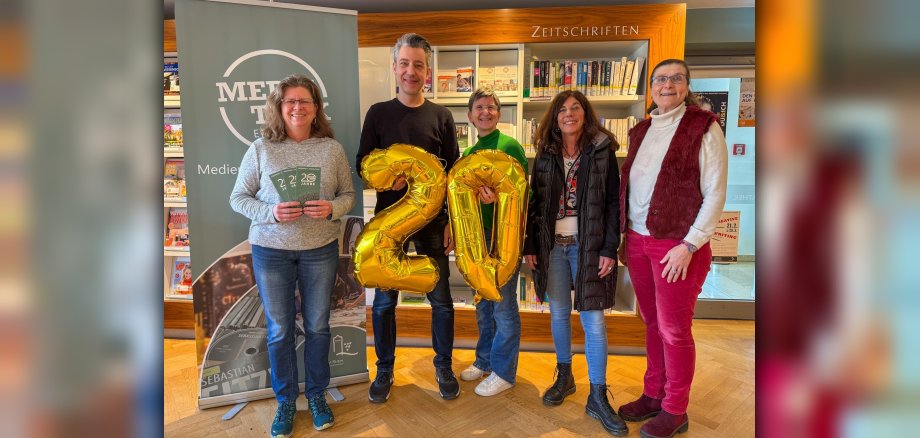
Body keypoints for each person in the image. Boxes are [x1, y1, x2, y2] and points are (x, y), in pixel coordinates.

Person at [229, 74, 355, 437]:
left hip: (320, 250)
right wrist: (270, 212)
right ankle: (285, 400)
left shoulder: (332, 149)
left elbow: (348, 194)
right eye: (290, 102)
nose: (297, 107)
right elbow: (238, 198)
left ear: (316, 109)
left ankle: (316, 395)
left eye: (305, 101)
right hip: (271, 251)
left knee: (318, 326)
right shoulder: (260, 149)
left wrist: (331, 208)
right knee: (279, 329)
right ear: (279, 108)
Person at [616, 59, 727, 438]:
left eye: (675, 79)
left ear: (686, 85)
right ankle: (653, 392)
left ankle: (675, 409)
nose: (667, 85)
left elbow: (715, 192)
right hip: (637, 240)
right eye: (660, 79)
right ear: (650, 88)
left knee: (674, 330)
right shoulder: (641, 130)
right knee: (651, 323)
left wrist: (690, 244)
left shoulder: (704, 126)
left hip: (677, 246)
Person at [357, 33, 461, 403]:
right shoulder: (378, 113)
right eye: (405, 63)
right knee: (384, 303)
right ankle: (385, 371)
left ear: (427, 71)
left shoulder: (441, 116)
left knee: (442, 301)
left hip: (433, 223)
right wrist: (388, 177)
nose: (411, 71)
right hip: (389, 225)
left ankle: (443, 367)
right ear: (395, 68)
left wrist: (450, 220)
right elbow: (362, 164)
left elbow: (455, 173)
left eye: (418, 64)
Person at [522, 90, 628, 436]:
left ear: (585, 114)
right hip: (553, 248)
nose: (569, 114)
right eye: (562, 110)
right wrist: (530, 245)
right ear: (555, 117)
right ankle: (564, 375)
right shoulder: (545, 153)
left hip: (589, 246)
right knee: (557, 314)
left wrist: (610, 249)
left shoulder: (602, 150)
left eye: (575, 108)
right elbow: (535, 204)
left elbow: (613, 203)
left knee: (594, 321)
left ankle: (597, 394)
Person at [457, 87, 527, 397]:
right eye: (479, 108)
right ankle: (485, 361)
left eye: (491, 107)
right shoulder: (468, 155)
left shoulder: (510, 146)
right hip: (476, 240)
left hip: (504, 238)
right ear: (470, 116)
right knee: (483, 305)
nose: (485, 112)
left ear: (498, 114)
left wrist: (496, 200)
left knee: (503, 306)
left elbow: (525, 194)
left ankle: (504, 372)